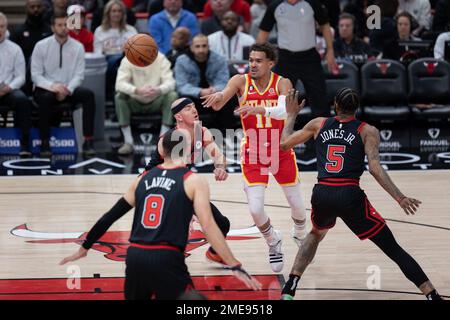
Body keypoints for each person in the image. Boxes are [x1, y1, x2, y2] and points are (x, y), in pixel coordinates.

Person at [249, 87, 442, 300]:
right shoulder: (367, 130)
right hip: (350, 195)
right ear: (356, 108)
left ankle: (290, 288)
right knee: (393, 249)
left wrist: (292, 114)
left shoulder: (319, 124)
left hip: (323, 193)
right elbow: (375, 168)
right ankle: (431, 294)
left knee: (316, 233)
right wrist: (400, 197)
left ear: (335, 105)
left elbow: (284, 144)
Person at [59, 128, 261, 300]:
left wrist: (85, 246)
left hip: (135, 257)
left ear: (163, 151)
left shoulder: (142, 179)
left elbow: (109, 216)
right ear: (188, 153)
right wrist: (234, 264)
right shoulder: (193, 181)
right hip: (166, 258)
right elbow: (208, 226)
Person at [202, 42, 308, 273]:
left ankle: (300, 233)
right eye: (251, 60)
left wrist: (261, 110)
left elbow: (286, 111)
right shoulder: (240, 81)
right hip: (253, 152)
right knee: (256, 209)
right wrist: (219, 95)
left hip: (281, 150)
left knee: (298, 206)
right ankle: (273, 241)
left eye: (258, 60)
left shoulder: (282, 83)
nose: (253, 64)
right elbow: (221, 101)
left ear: (271, 63)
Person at [144, 97, 233, 266]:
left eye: (194, 107)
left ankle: (215, 254)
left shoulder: (201, 131)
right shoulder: (176, 138)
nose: (194, 110)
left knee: (222, 223)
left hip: (177, 182)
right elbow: (178, 176)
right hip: (155, 183)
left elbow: (218, 155)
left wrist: (220, 167)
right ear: (178, 117)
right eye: (188, 109)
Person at [257, 0, 337, 118]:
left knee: (319, 99)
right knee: (279, 99)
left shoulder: (312, 3)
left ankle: (322, 133)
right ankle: (277, 134)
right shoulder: (274, 6)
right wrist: (258, 59)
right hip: (285, 59)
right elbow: (263, 33)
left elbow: (325, 25)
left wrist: (330, 50)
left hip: (309, 58)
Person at [31, 12, 96, 157]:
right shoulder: (41, 46)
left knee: (88, 95)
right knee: (46, 98)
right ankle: (45, 143)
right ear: (53, 27)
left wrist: (67, 89)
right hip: (46, 88)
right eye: (59, 25)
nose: (64, 28)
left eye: (66, 24)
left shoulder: (78, 47)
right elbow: (35, 75)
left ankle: (88, 141)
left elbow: (79, 74)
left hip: (68, 89)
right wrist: (53, 87)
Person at [115, 51, 178, 155]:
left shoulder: (161, 58)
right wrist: (136, 90)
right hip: (134, 100)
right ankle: (128, 142)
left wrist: (158, 89)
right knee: (119, 96)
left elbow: (171, 83)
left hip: (156, 100)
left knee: (172, 95)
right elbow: (119, 84)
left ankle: (163, 142)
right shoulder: (127, 60)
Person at [174, 34, 236, 134]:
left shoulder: (219, 59)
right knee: (183, 100)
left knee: (228, 97)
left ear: (208, 46)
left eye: (204, 46)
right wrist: (200, 91)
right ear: (191, 47)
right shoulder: (182, 60)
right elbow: (181, 86)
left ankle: (227, 135)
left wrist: (214, 90)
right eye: (197, 46)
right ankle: (189, 135)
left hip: (214, 96)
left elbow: (224, 82)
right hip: (194, 97)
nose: (201, 50)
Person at [0, 13, 33, 156]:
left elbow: (21, 77)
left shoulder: (15, 49)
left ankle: (25, 144)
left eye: (1, 26)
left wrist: (9, 87)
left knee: (22, 100)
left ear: (6, 27)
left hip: (8, 90)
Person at [93, 0, 137, 99]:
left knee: (121, 60)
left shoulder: (131, 30)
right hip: (107, 61)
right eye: (113, 11)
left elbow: (135, 52)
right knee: (113, 62)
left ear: (123, 13)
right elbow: (98, 53)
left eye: (119, 11)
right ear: (108, 13)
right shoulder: (99, 31)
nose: (116, 14)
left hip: (126, 61)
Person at [10, 0, 53, 95]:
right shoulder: (18, 32)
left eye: (38, 6)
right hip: (23, 73)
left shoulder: (49, 31)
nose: (36, 9)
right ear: (26, 8)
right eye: (32, 7)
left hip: (46, 74)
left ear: (43, 8)